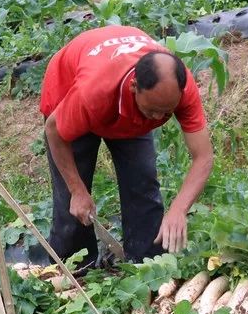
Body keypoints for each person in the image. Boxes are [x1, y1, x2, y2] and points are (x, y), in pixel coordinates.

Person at [39, 25, 213, 267]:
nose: (156, 118)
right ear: (134, 87)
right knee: (73, 203)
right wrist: (77, 190)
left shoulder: (179, 90)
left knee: (142, 184)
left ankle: (148, 267)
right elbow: (54, 132)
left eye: (166, 113)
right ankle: (73, 273)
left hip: (125, 111)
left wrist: (179, 209)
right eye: (152, 110)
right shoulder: (93, 92)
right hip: (70, 96)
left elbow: (203, 157)